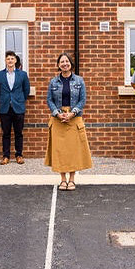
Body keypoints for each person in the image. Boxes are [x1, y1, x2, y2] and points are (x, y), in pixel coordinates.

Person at [45, 51, 92, 190]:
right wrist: (57, 113)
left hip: (74, 118)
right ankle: (62, 179)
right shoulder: (53, 82)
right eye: (62, 62)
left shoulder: (79, 80)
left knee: (73, 151)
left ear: (71, 64)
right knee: (60, 151)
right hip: (58, 119)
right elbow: (49, 100)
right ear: (58, 65)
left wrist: (72, 113)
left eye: (67, 61)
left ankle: (72, 179)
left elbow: (82, 100)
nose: (64, 64)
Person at [0, 50, 30, 165]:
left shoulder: (22, 75)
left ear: (15, 60)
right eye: (8, 58)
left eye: (12, 58)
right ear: (5, 60)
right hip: (5, 108)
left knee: (19, 133)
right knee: (6, 133)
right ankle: (6, 156)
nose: (10, 60)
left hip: (18, 107)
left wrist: (19, 100)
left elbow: (26, 91)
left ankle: (19, 155)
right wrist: (5, 100)